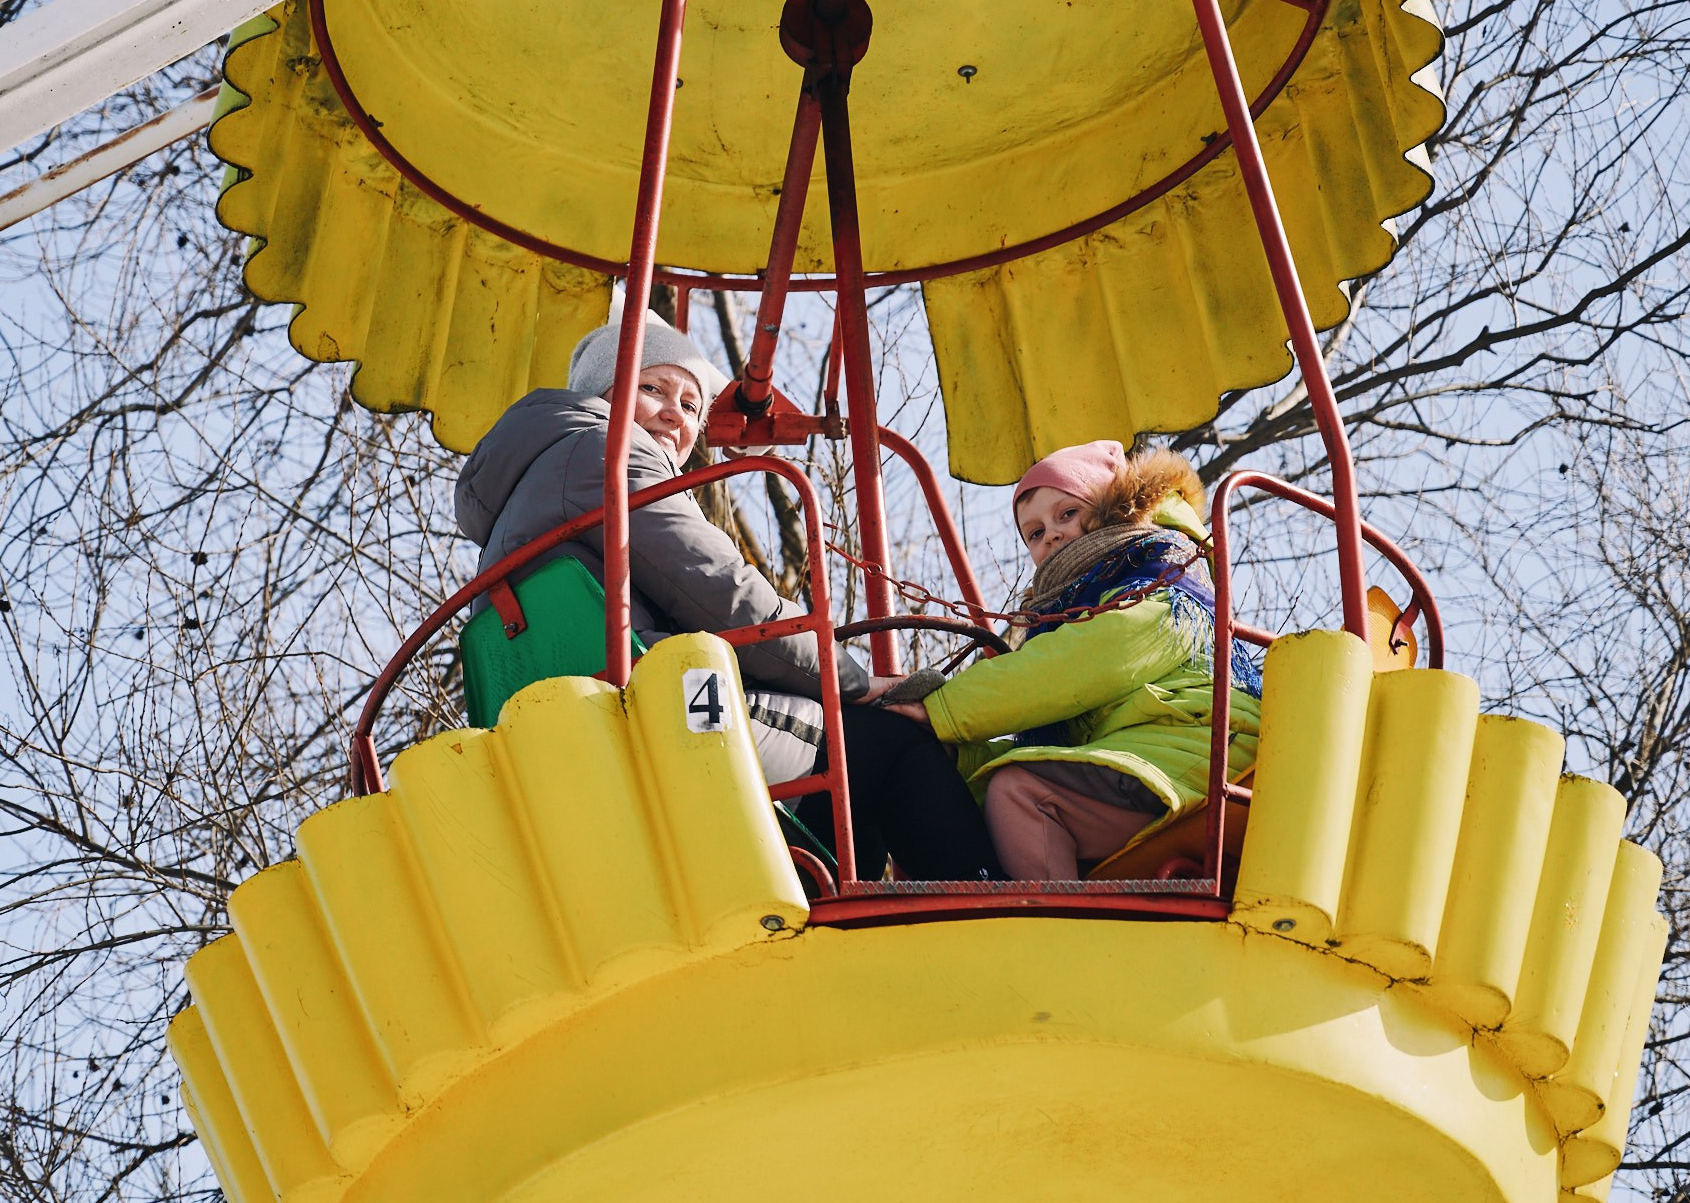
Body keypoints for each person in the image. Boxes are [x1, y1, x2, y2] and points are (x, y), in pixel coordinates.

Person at [454, 316, 998, 881]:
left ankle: (830, 896)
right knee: (893, 740)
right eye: (652, 389)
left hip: (569, 721)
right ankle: (995, 910)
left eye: (691, 406)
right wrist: (853, 682)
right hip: (650, 711)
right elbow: (724, 595)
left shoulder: (533, 485)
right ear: (602, 395)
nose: (674, 414)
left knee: (847, 775)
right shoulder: (608, 453)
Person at [882, 439, 1262, 881]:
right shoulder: (1072, 611)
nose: (1053, 534)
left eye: (1067, 513)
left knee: (1020, 794)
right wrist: (952, 755)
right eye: (1035, 533)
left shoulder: (1167, 571)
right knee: (939, 797)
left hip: (1204, 749)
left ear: (1111, 508)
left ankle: (1052, 939)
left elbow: (1085, 661)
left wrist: (944, 710)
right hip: (1147, 753)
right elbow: (1065, 737)